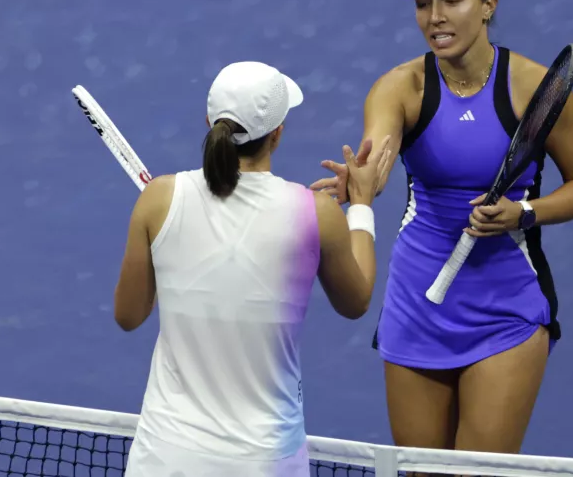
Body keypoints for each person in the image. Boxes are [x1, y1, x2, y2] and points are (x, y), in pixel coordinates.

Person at [310, 0, 573, 460]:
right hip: (417, 301)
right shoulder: (400, 87)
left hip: (505, 306)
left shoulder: (534, 88)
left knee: (478, 474)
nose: (435, 17)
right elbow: (377, 156)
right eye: (424, 3)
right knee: (422, 472)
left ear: (488, 4)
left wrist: (525, 213)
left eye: (452, 0)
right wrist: (362, 182)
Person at [112, 61, 393, 477]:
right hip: (265, 463)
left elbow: (129, 315)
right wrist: (363, 204)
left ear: (209, 122)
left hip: (166, 457)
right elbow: (357, 301)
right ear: (277, 134)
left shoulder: (159, 198)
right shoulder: (316, 212)